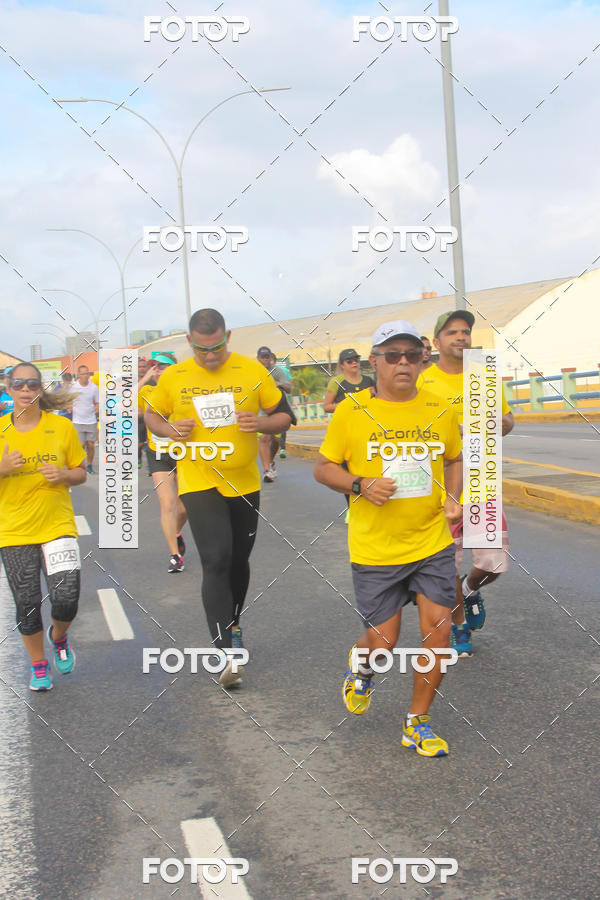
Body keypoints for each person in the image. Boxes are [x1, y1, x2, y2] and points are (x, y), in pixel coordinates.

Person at [314, 321, 463, 757]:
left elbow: (453, 458)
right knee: (383, 644)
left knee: (438, 636)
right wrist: (359, 483)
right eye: (393, 355)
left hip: (431, 542)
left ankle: (417, 721)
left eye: (412, 355)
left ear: (423, 361)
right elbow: (323, 468)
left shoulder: (440, 409)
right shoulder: (351, 412)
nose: (403, 363)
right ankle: (361, 665)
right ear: (373, 361)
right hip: (375, 549)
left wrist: (452, 497)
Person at [144, 309, 292, 687]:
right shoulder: (175, 376)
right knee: (216, 558)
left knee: (239, 560)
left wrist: (260, 422)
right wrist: (170, 428)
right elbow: (152, 417)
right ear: (189, 342)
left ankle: (234, 623)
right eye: (200, 349)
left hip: (243, 482)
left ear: (229, 336)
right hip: (197, 477)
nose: (209, 356)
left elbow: (283, 416)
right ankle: (224, 650)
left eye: (216, 347)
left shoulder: (251, 370)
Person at [420, 310, 514, 657]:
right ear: (436, 342)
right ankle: (459, 626)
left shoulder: (482, 375)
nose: (461, 337)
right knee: (446, 565)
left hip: (482, 478)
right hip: (438, 486)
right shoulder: (421, 381)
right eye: (452, 332)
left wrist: (502, 423)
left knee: (494, 561)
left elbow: (507, 419)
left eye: (465, 332)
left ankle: (470, 586)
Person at [0, 364, 86, 691]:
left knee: (66, 598)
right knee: (27, 602)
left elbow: (80, 471)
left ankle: (59, 637)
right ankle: (38, 664)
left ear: (39, 388)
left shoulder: (61, 428)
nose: (25, 389)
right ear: (9, 388)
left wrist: (63, 476)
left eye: (31, 383)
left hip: (57, 525)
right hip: (13, 530)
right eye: (18, 384)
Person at [138, 353, 188, 573]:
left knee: (185, 506)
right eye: (155, 367)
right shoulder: (148, 391)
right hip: (158, 453)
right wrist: (146, 376)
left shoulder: (183, 392)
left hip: (184, 452)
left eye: (162, 366)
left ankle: (176, 532)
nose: (158, 370)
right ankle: (175, 555)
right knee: (167, 504)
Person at [256, 346, 292, 482]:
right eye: (262, 357)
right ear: (258, 358)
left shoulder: (278, 371)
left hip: (278, 409)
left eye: (267, 357)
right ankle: (267, 470)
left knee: (276, 440)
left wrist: (278, 384)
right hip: (261, 410)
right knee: (264, 439)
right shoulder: (254, 372)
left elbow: (289, 388)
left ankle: (271, 462)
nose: (265, 360)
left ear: (270, 358)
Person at [323, 349, 375, 413]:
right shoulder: (336, 382)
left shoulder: (368, 380)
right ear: (342, 365)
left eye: (356, 359)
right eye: (349, 361)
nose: (354, 362)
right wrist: (349, 404)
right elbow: (326, 407)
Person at [71, 365, 99, 474]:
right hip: (78, 420)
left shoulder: (94, 387)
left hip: (91, 420)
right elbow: (69, 400)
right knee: (81, 444)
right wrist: (68, 407)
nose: (85, 376)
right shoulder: (74, 387)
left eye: (87, 373)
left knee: (91, 445)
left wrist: (97, 408)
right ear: (78, 375)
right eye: (82, 373)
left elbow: (97, 402)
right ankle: (79, 464)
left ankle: (90, 465)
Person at [273, 353, 292, 458]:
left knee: (281, 425)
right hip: (270, 402)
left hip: (279, 400)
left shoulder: (282, 371)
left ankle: (282, 448)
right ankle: (279, 448)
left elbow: (290, 384)